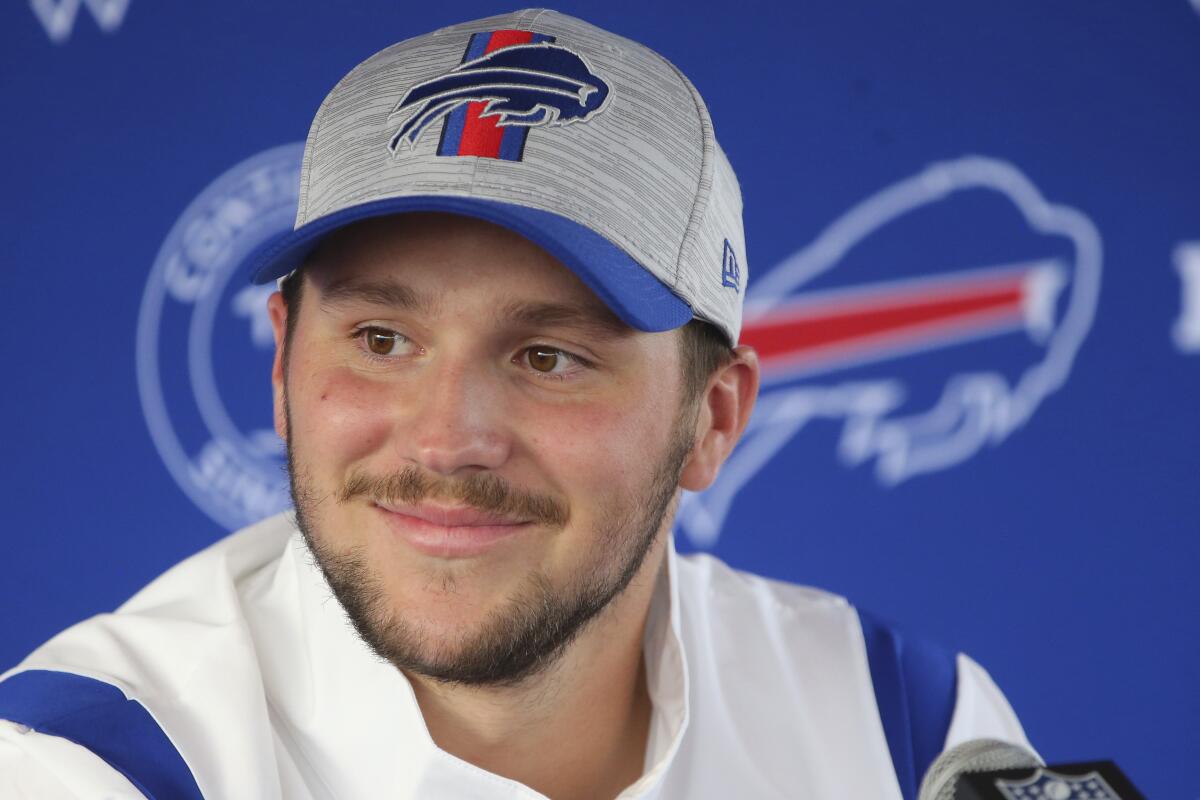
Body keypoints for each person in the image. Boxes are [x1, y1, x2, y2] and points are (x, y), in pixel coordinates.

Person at [0, 9, 1029, 799]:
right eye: (381, 340)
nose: (447, 438)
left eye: (549, 356)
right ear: (280, 368)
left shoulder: (907, 731)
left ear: (711, 420)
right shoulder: (95, 762)